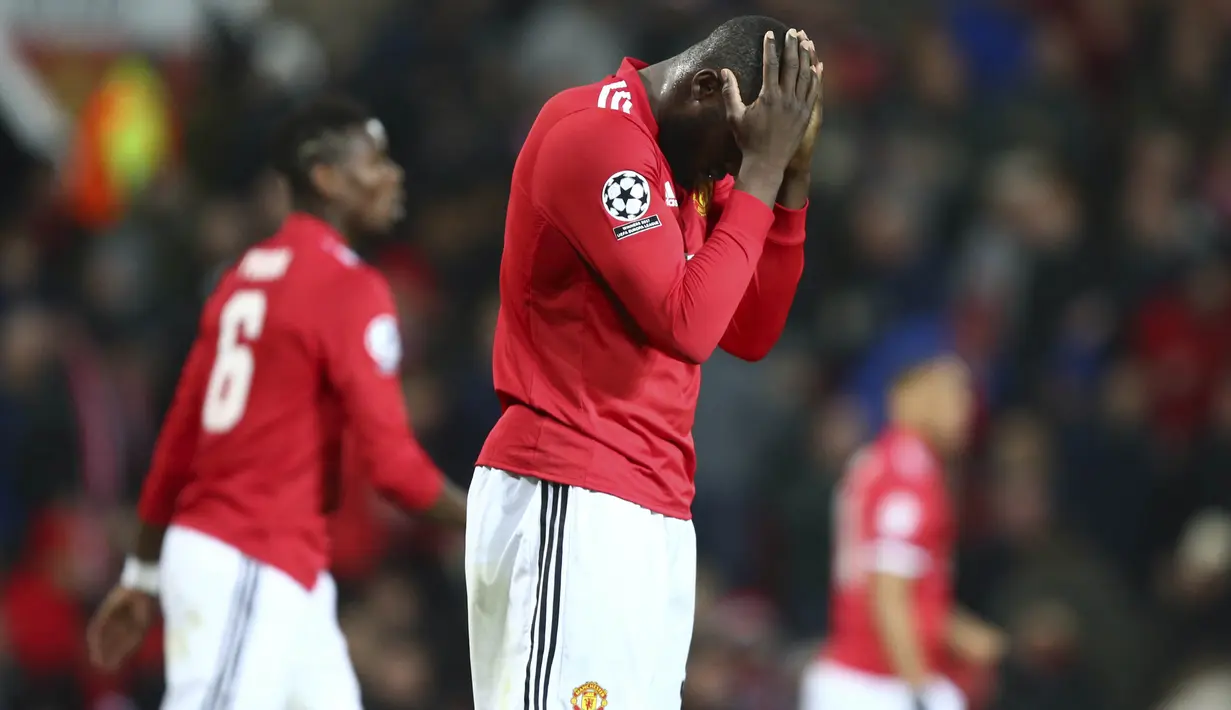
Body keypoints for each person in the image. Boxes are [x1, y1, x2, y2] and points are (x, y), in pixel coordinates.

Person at [466, 15, 823, 709]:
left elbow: (747, 329)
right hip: (569, 485)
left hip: (653, 505)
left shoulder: (691, 152)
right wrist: (758, 171)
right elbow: (685, 324)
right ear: (704, 89)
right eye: (736, 148)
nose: (728, 171)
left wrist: (789, 185)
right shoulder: (594, 134)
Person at [85, 96, 467, 710]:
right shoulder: (350, 286)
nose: (393, 175)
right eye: (375, 161)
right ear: (326, 178)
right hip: (247, 554)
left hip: (278, 567)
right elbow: (395, 470)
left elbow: (181, 442)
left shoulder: (243, 276)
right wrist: (489, 523)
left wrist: (142, 573)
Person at [800, 351, 1005, 710]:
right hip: (874, 684)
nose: (964, 406)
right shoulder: (905, 476)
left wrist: (956, 631)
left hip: (863, 678)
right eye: (949, 392)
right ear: (906, 397)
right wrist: (920, 691)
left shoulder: (890, 461)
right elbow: (888, 596)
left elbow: (908, 594)